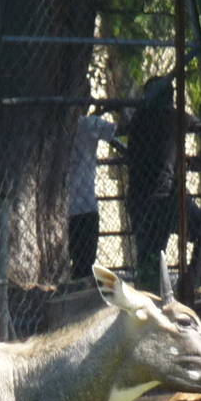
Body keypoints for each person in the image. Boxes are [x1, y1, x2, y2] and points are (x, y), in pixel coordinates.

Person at [123, 74, 201, 289]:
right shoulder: (175, 117)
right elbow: (199, 124)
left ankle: (159, 289)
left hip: (146, 198)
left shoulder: (138, 120)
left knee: (149, 256)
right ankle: (193, 280)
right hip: (166, 197)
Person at [67, 109, 117, 280]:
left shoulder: (55, 124)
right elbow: (117, 131)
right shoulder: (90, 124)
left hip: (63, 206)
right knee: (85, 264)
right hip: (85, 205)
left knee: (75, 261)